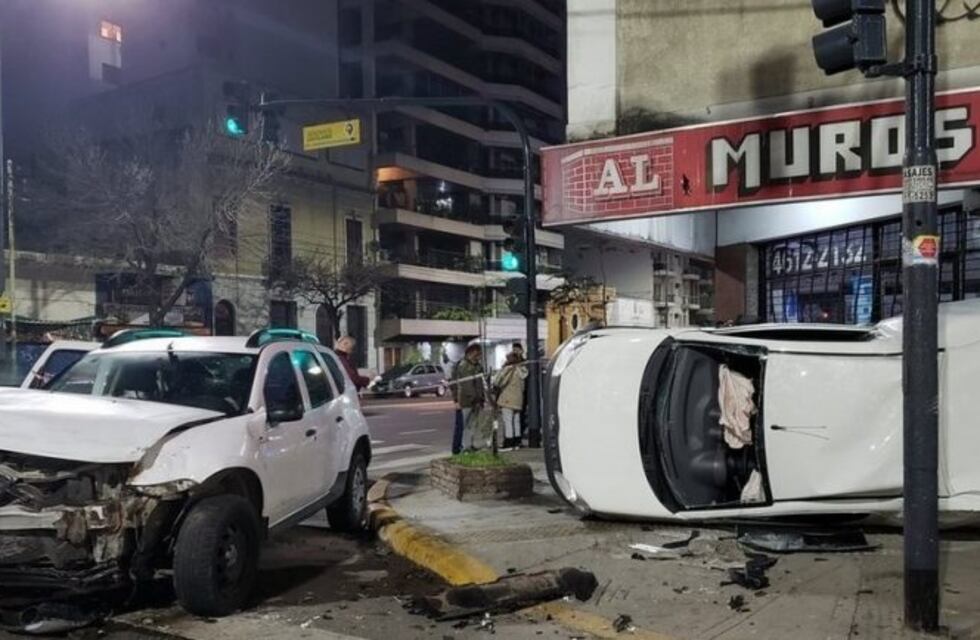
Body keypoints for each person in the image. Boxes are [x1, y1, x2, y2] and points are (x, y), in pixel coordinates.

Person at [453, 344, 485, 451]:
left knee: (472, 424)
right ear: (471, 353)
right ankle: (463, 447)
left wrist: (481, 398)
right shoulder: (464, 366)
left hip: (476, 400)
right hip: (466, 400)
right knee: (464, 425)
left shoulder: (477, 366)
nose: (479, 356)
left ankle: (469, 445)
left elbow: (480, 384)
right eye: (478, 354)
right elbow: (467, 385)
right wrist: (475, 398)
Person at [493, 352, 528, 450]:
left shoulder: (508, 370)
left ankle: (509, 442)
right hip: (518, 398)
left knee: (507, 421)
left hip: (507, 398)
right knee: (516, 421)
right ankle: (517, 441)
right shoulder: (522, 370)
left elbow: (498, 381)